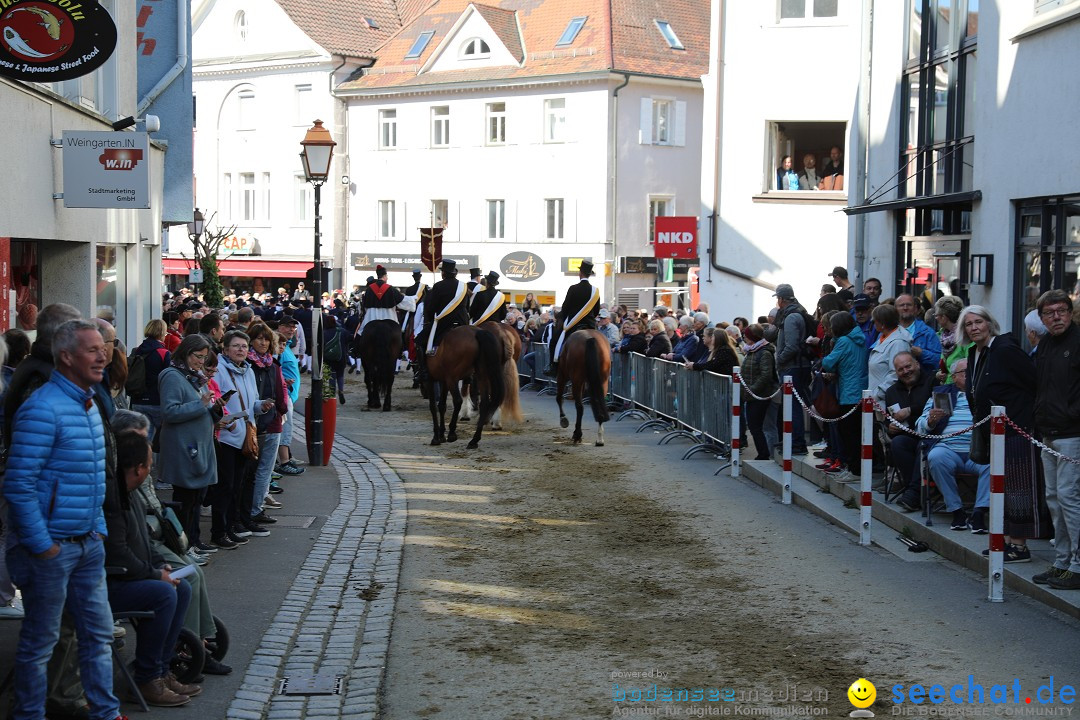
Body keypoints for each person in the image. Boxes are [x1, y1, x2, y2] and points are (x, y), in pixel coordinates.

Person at [4, 320, 123, 720]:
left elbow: (90, 477)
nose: (103, 355)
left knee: (98, 637)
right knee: (41, 644)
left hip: (86, 543)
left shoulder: (87, 402)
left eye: (102, 348)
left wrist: (98, 530)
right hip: (52, 550)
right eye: (92, 349)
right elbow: (19, 484)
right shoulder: (42, 407)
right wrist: (43, 545)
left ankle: (105, 713)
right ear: (66, 356)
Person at [105, 431, 198, 706]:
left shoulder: (130, 494)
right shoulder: (114, 499)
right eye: (149, 463)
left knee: (182, 590)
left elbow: (144, 543)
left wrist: (160, 565)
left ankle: (161, 669)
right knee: (163, 593)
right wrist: (156, 574)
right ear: (139, 468)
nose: (151, 468)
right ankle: (147, 678)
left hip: (128, 576)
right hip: (109, 582)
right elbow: (118, 554)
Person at [962, 304, 1045, 557]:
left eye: (979, 322)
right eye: (969, 324)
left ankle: (1019, 545)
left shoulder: (1005, 349)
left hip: (1016, 429)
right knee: (1002, 487)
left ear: (989, 323)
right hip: (992, 432)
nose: (974, 327)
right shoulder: (975, 352)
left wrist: (1024, 418)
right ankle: (1006, 540)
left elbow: (1034, 382)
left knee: (1018, 487)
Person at [1033, 290, 1080, 588]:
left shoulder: (1077, 342)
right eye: (1049, 313)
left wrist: (1071, 414)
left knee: (1069, 498)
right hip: (1047, 433)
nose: (1056, 317)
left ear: (1070, 312)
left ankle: (1077, 564)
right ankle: (1061, 560)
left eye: (1061, 311)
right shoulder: (1046, 344)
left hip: (1072, 433)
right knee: (1054, 499)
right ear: (1041, 318)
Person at [159, 334, 222, 555]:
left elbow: (202, 406)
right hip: (184, 449)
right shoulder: (172, 376)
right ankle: (181, 549)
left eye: (205, 357)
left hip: (198, 447)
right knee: (185, 501)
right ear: (186, 353)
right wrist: (201, 404)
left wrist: (214, 408)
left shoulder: (193, 376)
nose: (201, 362)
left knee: (196, 499)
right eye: (198, 356)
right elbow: (169, 411)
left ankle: (192, 542)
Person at [915, 358, 990, 531]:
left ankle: (979, 512)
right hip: (948, 448)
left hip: (978, 449)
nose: (970, 375)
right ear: (954, 377)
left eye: (972, 370)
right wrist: (931, 421)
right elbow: (919, 425)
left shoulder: (984, 393)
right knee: (935, 456)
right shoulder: (941, 394)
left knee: (993, 462)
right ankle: (957, 511)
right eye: (965, 372)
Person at [245, 322, 288, 526]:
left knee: (262, 470)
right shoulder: (246, 365)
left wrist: (278, 413)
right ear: (251, 340)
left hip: (270, 423)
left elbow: (281, 395)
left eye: (266, 339)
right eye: (258, 338)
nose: (262, 342)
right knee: (254, 470)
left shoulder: (273, 365)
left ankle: (255, 508)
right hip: (251, 425)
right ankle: (251, 510)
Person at [884, 352, 936, 510]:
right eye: (901, 369)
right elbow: (889, 418)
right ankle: (914, 490)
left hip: (931, 435)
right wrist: (889, 427)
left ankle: (913, 492)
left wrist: (910, 410)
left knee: (923, 445)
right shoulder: (891, 391)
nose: (906, 371)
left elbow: (937, 406)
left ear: (917, 365)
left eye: (908, 366)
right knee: (897, 443)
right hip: (906, 436)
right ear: (896, 373)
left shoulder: (931, 381)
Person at [819, 311, 870, 475]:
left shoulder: (842, 341)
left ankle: (854, 470)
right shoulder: (860, 338)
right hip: (861, 389)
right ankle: (858, 467)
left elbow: (828, 363)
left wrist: (832, 344)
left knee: (848, 434)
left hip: (848, 391)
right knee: (858, 433)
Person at [772, 283, 812, 455]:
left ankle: (796, 443)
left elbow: (791, 346)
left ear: (781, 299)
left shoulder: (790, 317)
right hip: (796, 366)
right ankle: (793, 441)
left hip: (792, 367)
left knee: (793, 407)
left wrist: (779, 360)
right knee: (792, 406)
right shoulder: (796, 313)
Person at [544, 260, 600, 377]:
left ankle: (553, 366)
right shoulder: (595, 291)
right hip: (590, 325)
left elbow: (566, 307)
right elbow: (596, 311)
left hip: (573, 324)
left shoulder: (573, 288)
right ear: (590, 274)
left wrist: (561, 317)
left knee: (554, 341)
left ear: (580, 273)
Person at [131, 318, 174, 442]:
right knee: (164, 441)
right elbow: (169, 379)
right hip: (157, 402)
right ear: (161, 333)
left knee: (144, 441)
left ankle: (145, 461)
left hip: (137, 400)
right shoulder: (163, 353)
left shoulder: (137, 350)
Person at [867, 303, 912, 404]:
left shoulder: (899, 343)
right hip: (877, 401)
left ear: (882, 323)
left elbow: (897, 374)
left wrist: (878, 394)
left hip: (888, 402)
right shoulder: (882, 338)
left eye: (874, 321)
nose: (873, 324)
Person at [895, 293, 942, 377]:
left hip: (921, 384)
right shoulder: (888, 331)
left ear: (915, 309)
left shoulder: (928, 332)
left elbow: (939, 361)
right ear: (895, 309)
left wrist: (922, 353)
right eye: (901, 305)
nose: (905, 308)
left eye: (909, 305)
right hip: (893, 384)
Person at [359, 265, 405, 333]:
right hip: (390, 319)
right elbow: (403, 301)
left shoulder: (369, 289)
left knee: (360, 334)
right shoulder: (391, 289)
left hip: (371, 318)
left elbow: (364, 306)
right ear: (385, 276)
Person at [934, 296, 968, 382]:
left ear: (944, 317)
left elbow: (969, 367)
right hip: (948, 388)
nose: (935, 318)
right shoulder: (943, 337)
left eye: (937, 315)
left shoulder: (965, 336)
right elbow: (946, 366)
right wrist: (939, 374)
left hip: (961, 390)